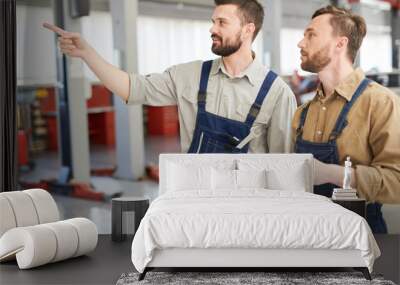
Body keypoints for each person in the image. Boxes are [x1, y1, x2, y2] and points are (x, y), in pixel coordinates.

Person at [43, 0, 296, 154]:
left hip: (246, 209)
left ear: (247, 30)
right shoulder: (190, 75)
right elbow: (133, 88)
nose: (212, 29)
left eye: (222, 22)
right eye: (212, 21)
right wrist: (88, 54)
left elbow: (283, 166)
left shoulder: (276, 92)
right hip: (194, 202)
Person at [293, 5, 400, 233]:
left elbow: (397, 181)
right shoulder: (302, 113)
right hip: (307, 232)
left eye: (311, 35)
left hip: (361, 234)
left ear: (340, 44)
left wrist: (334, 174)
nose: (301, 43)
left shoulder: (380, 103)